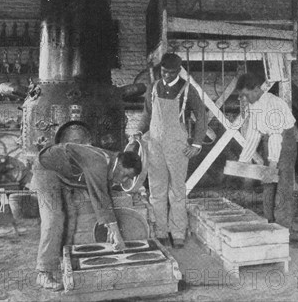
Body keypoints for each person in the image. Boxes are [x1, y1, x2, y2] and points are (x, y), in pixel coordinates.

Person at [32, 143, 141, 290]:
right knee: (54, 219)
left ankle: (62, 260)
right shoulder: (99, 162)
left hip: (64, 175)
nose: (123, 181)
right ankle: (43, 273)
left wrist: (110, 227)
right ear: (120, 164)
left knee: (70, 216)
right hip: (46, 169)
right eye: (125, 175)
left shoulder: (111, 160)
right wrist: (116, 233)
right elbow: (100, 198)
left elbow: (105, 195)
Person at [133, 53, 208, 248]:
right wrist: (139, 131)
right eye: (164, 72)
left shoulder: (187, 89)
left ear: (178, 71)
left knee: (177, 191)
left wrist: (197, 144)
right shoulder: (153, 87)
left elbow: (201, 116)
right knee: (156, 190)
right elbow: (147, 115)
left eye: (171, 72)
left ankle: (178, 233)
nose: (167, 75)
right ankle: (161, 231)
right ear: (161, 70)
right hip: (155, 146)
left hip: (177, 148)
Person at [236, 73, 297, 228]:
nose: (243, 99)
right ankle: (269, 221)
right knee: (268, 183)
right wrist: (243, 161)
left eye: (245, 95)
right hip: (268, 140)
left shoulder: (273, 104)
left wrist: (272, 164)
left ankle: (283, 226)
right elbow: (253, 133)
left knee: (283, 184)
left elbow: (276, 137)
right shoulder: (254, 103)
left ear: (256, 89)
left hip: (284, 142)